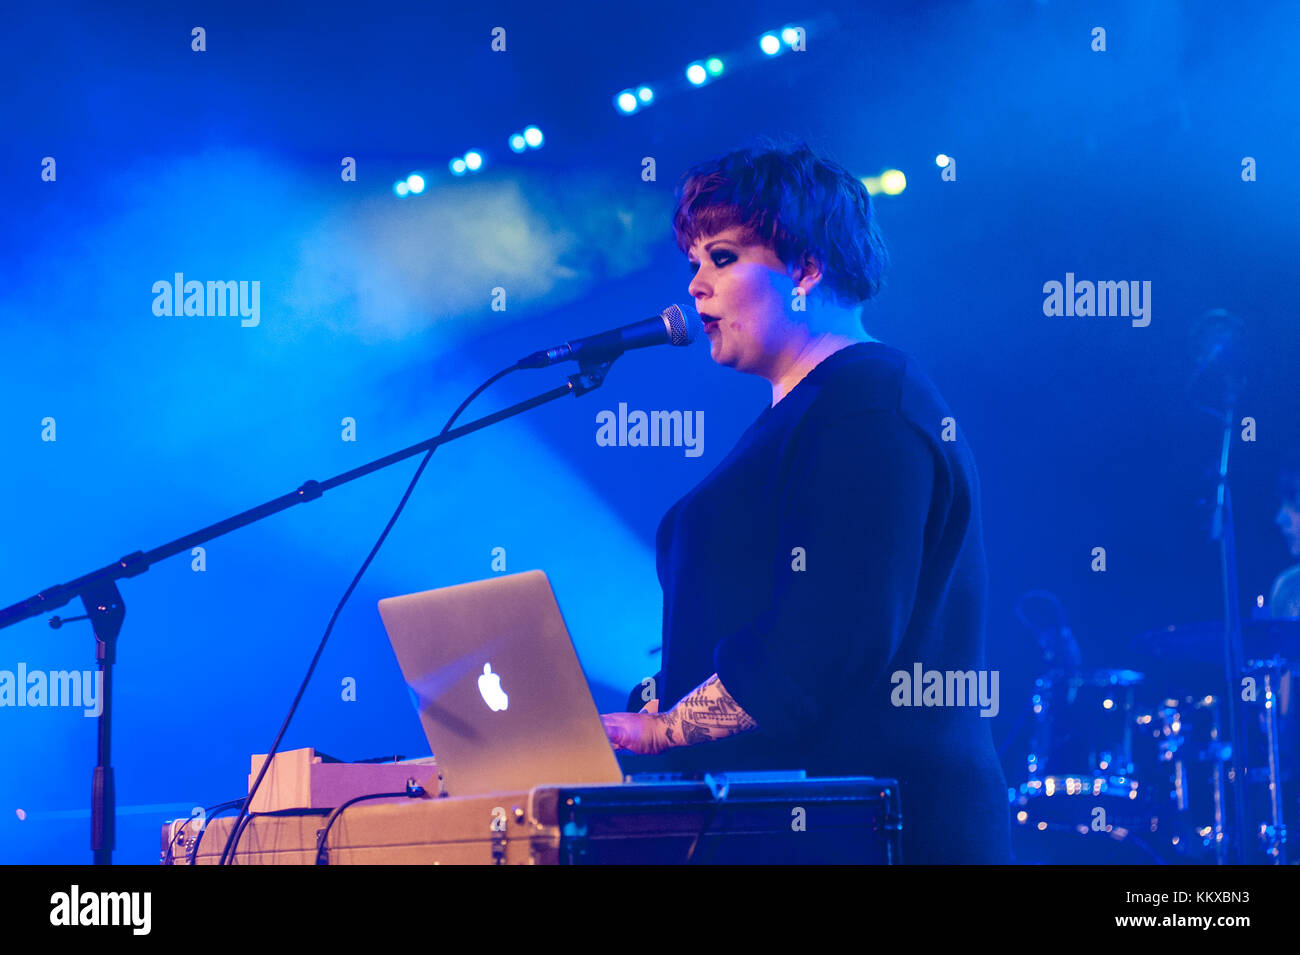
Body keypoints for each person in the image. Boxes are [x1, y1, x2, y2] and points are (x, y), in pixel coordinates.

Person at [599, 137, 1011, 863]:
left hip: (877, 832)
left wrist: (665, 732)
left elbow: (822, 643)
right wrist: (657, 698)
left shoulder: (866, 409)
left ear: (807, 268)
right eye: (694, 262)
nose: (695, 286)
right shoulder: (812, 411)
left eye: (722, 258)